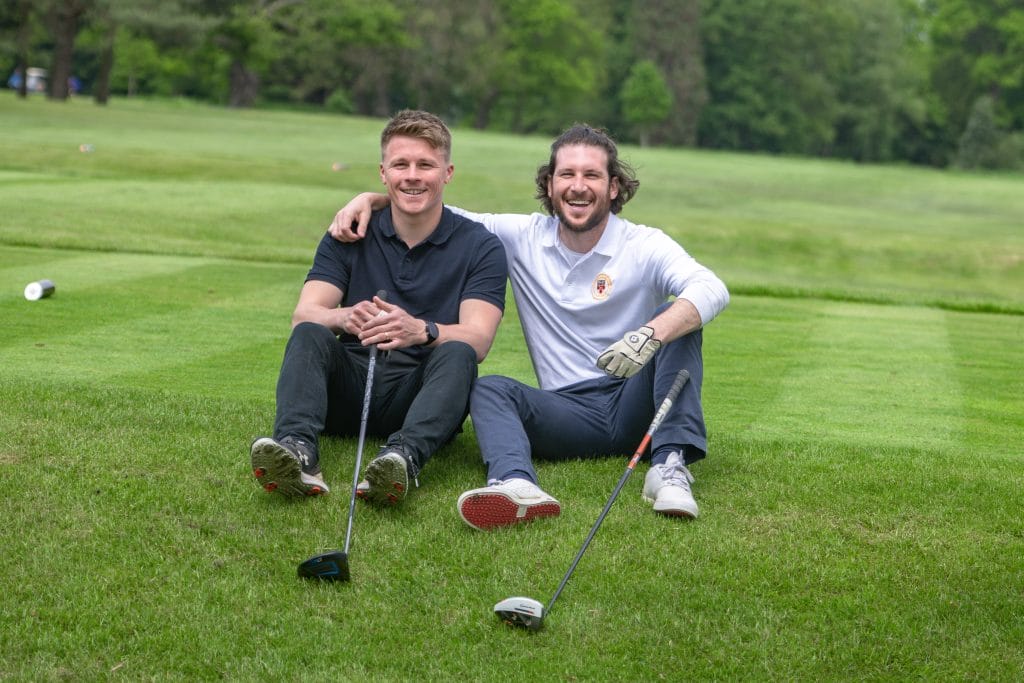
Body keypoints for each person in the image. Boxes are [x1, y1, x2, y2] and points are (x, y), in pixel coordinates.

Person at [330, 124, 728, 529]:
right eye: (566, 175)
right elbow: (435, 213)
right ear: (549, 184)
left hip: (636, 400)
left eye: (591, 175)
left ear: (613, 187)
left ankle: (669, 466)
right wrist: (372, 198)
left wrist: (651, 334)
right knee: (489, 388)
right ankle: (514, 483)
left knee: (681, 321)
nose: (578, 186)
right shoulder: (521, 236)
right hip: (565, 413)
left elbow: (711, 287)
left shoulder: (644, 245)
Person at [251, 109, 507, 507]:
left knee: (458, 352)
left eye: (426, 165)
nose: (413, 175)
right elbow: (304, 314)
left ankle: (401, 458)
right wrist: (344, 317)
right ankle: (298, 450)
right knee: (310, 333)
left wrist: (422, 330)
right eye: (400, 164)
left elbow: (479, 339)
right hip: (349, 387)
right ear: (383, 173)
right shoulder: (348, 231)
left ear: (448, 173)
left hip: (418, 396)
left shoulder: (480, 246)